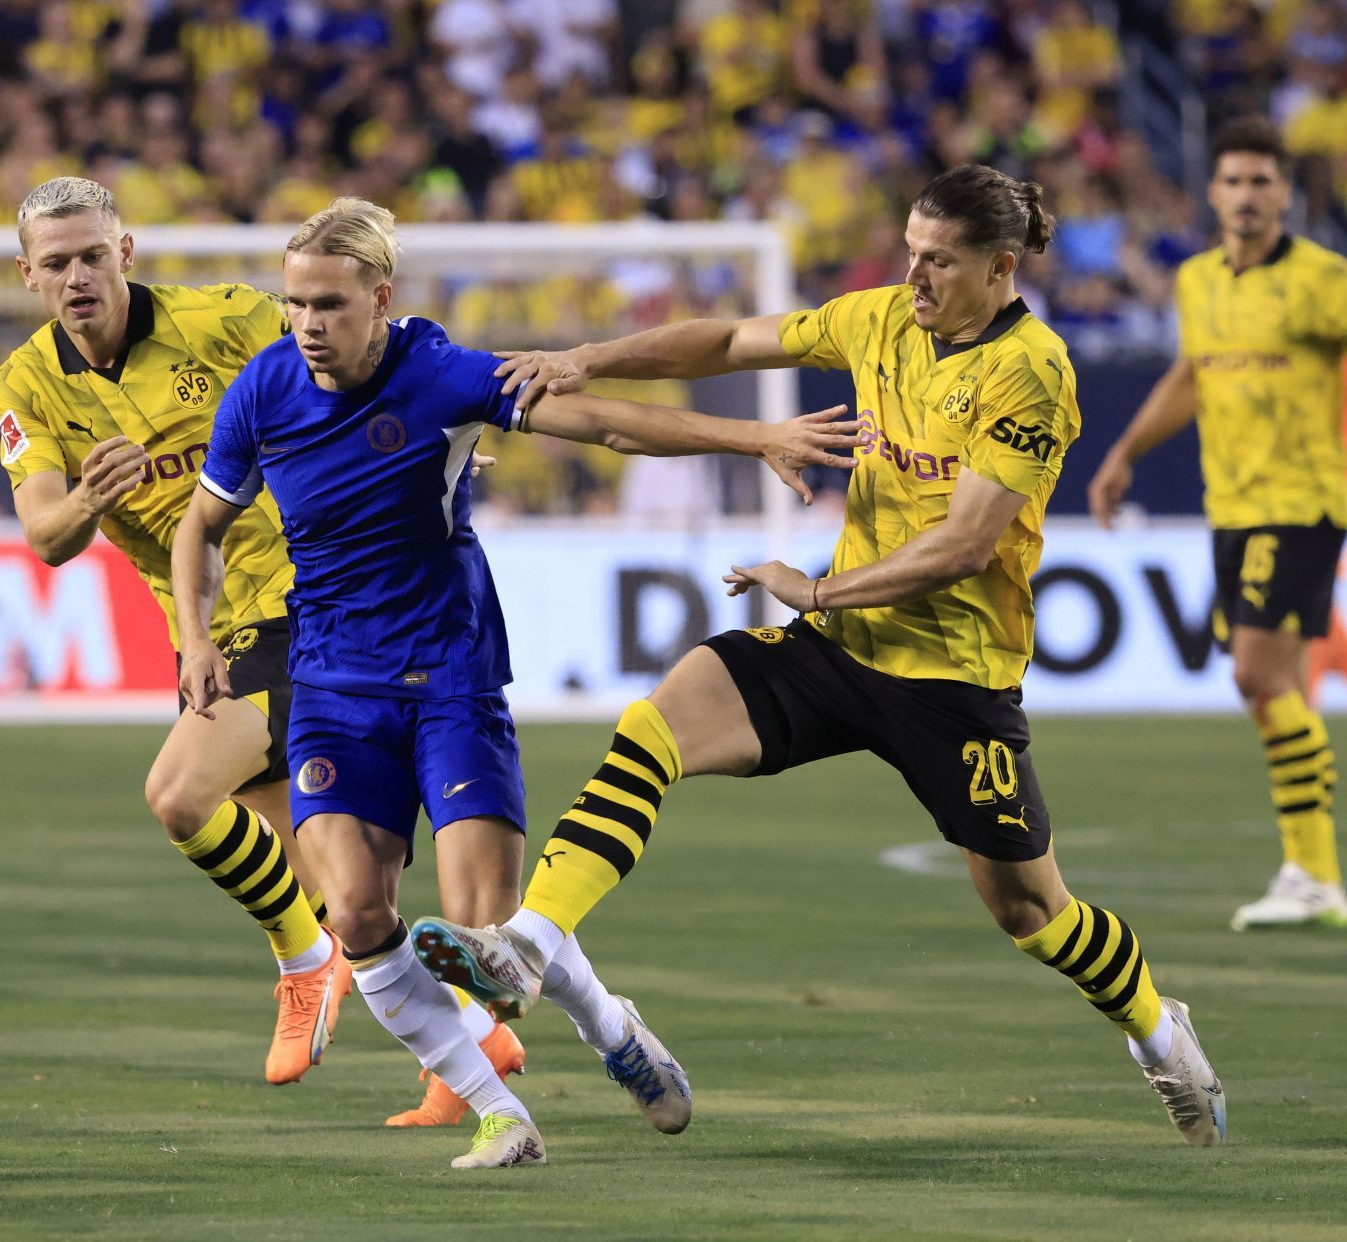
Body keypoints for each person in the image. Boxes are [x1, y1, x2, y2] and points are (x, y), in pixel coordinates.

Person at [413, 165, 1229, 1148]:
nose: (915, 275)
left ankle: (1155, 1028)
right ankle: (525, 948)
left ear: (1002, 267)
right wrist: (588, 358)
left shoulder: (1033, 370)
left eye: (940, 261)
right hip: (838, 649)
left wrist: (820, 586)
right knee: (656, 724)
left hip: (953, 681)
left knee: (1031, 910)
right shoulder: (879, 318)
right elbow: (727, 339)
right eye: (912, 251)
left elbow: (967, 543)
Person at [171, 197, 865, 1168]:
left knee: (491, 941)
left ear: (381, 298)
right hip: (331, 687)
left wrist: (753, 439)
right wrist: (194, 637)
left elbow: (605, 428)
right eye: (294, 303)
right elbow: (199, 521)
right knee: (359, 914)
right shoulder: (262, 388)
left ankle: (612, 1027)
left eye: (328, 303)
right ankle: (499, 1109)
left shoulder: (441, 372)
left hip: (450, 676)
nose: (307, 324)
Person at [0, 176, 358, 1090]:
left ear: (125, 253)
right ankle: (473, 1046)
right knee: (339, 887)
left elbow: (361, 357)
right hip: (205, 632)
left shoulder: (229, 320)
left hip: (310, 598)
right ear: (27, 276)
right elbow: (46, 537)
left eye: (91, 255)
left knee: (179, 795)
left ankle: (300, 961)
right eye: (55, 263)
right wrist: (88, 495)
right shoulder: (26, 382)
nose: (77, 276)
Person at [1089, 117, 1347, 931]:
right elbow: (1194, 375)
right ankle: (1310, 871)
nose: (1246, 196)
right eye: (1233, 181)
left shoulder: (1320, 279)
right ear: (1213, 191)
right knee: (1272, 689)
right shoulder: (1199, 281)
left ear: (1285, 194)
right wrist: (1124, 449)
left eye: (1262, 182)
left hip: (1300, 499)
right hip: (1230, 505)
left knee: (1255, 676)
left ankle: (1314, 871)